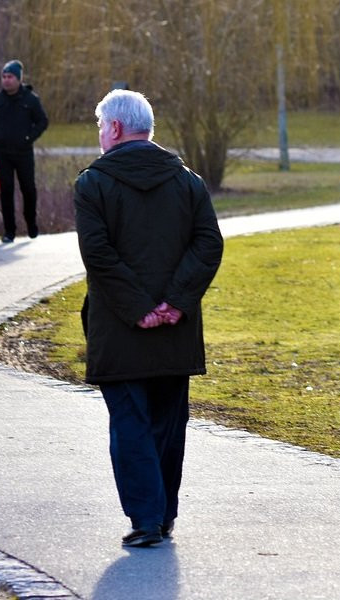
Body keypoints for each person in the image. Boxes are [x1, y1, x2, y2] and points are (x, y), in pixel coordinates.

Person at [74, 89, 223, 547]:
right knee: (167, 423)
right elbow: (208, 244)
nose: (100, 135)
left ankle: (146, 517)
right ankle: (162, 515)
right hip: (175, 332)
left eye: (101, 127)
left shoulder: (92, 184)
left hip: (119, 329)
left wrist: (140, 309)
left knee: (130, 424)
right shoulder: (188, 182)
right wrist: (174, 303)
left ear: (115, 129)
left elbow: (98, 255)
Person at [0, 60, 48, 243]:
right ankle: (10, 232)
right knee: (6, 190)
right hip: (2, 153)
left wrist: (29, 137)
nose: (6, 80)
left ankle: (31, 223)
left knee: (28, 189)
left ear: (18, 79)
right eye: (4, 77)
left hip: (24, 153)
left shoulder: (31, 100)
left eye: (10, 77)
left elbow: (42, 122)